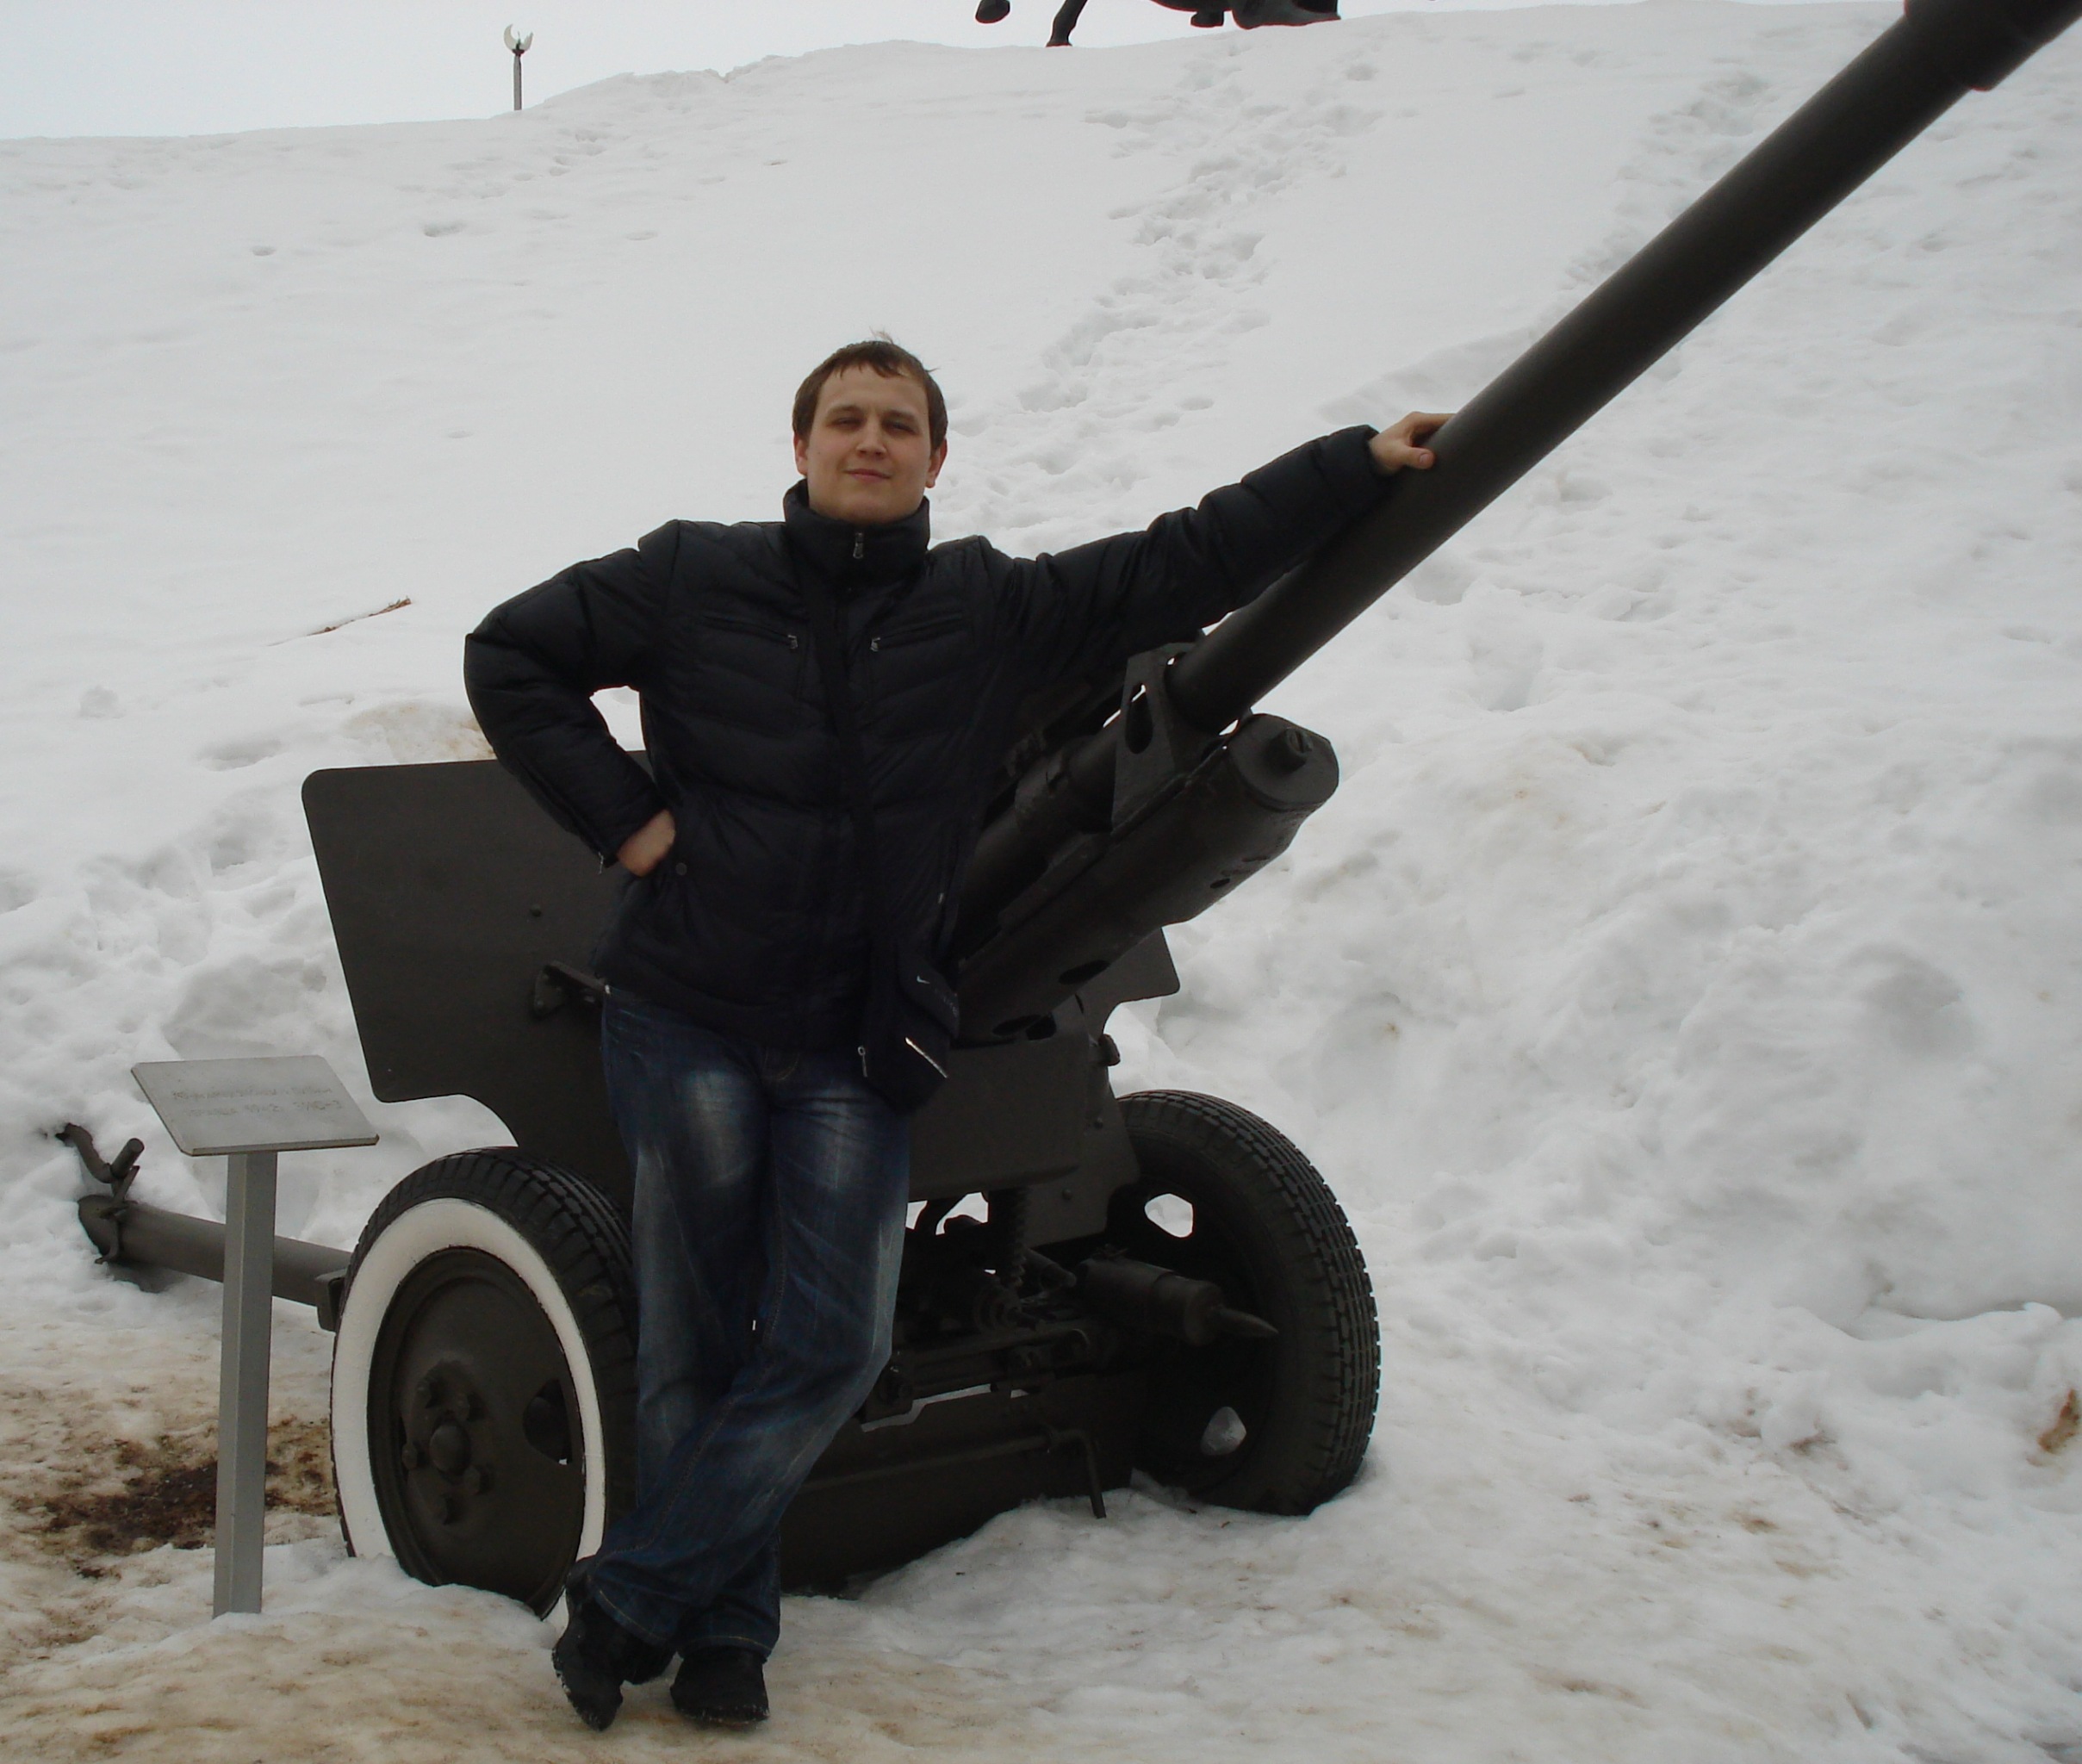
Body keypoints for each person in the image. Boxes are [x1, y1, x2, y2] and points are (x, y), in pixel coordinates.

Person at [463, 338, 1446, 1731]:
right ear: (800, 446)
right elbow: (510, 655)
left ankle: (631, 1599)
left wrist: (1350, 469)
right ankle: (728, 1635)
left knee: (832, 1345)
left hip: (856, 1034)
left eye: (898, 423)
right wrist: (629, 822)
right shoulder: (692, 575)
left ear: (935, 458)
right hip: (689, 1016)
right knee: (695, 1339)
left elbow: (1180, 561)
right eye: (845, 418)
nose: (870, 440)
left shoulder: (985, 606)